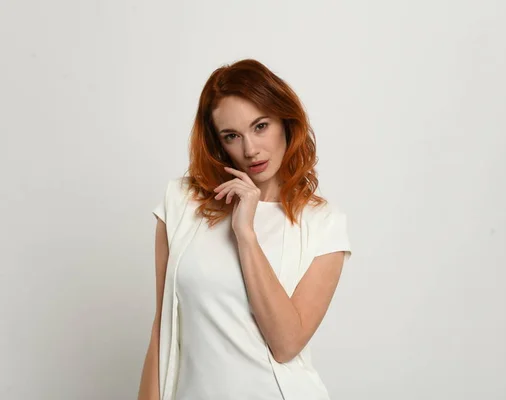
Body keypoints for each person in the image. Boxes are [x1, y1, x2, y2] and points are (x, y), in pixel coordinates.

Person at [137, 58, 352, 400]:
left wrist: (245, 233)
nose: (250, 149)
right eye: (232, 136)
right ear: (218, 143)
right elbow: (162, 329)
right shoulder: (181, 202)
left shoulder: (323, 223)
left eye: (260, 126)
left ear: (285, 121)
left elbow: (286, 345)